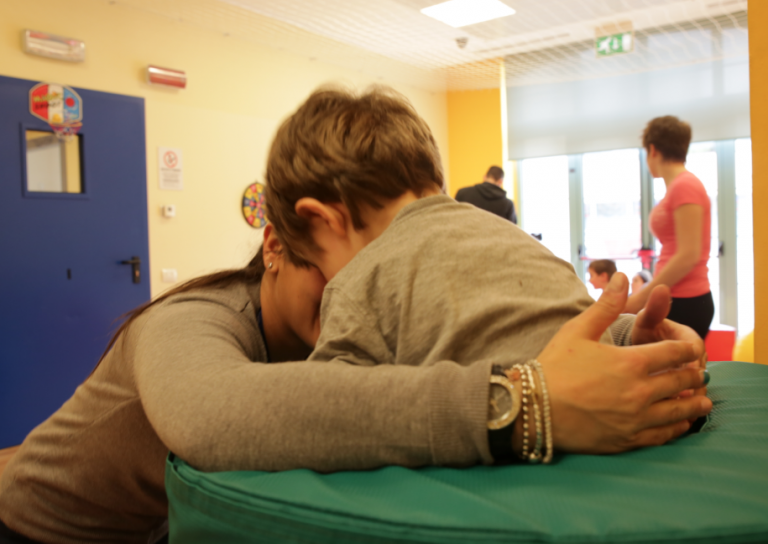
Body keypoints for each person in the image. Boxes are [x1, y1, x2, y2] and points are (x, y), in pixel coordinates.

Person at [265, 86, 710, 464]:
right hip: (631, 414)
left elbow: (323, 411)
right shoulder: (517, 237)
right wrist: (627, 334)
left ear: (322, 219)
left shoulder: (359, 280)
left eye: (318, 261)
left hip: (529, 459)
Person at [624, 116, 714, 339]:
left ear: (652, 150)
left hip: (686, 301)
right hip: (677, 298)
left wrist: (642, 296)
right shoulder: (679, 187)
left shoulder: (685, 186)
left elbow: (688, 255)